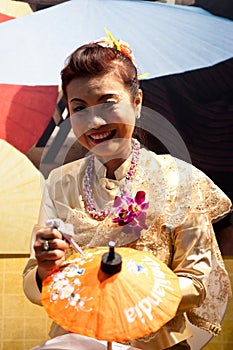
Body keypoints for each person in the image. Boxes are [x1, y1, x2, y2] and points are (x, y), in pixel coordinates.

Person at [23, 32, 232, 349]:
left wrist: (132, 285)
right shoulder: (60, 182)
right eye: (79, 108)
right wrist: (45, 268)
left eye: (108, 103)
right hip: (75, 341)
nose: (94, 121)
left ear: (137, 103)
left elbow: (197, 282)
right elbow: (33, 287)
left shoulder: (181, 179)